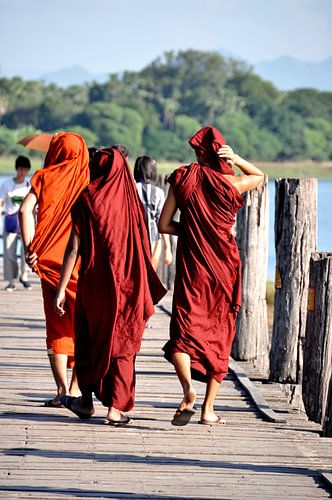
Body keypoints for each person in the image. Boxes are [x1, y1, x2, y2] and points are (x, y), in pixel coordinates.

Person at [158, 126, 264, 426]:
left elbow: (164, 225)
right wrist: (238, 158)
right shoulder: (231, 183)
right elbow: (259, 177)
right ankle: (207, 410)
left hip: (193, 265)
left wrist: (192, 232)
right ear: (222, 153)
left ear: (197, 152)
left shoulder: (182, 179)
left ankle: (188, 389)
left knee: (183, 332)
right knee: (219, 334)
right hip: (224, 267)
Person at [55, 147, 166, 424]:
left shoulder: (86, 199)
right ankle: (115, 409)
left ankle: (85, 401)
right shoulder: (130, 203)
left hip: (94, 286)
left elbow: (73, 248)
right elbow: (142, 245)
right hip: (127, 286)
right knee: (123, 344)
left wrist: (61, 289)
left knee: (91, 338)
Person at [19, 132, 90, 407]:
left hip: (48, 262)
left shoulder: (43, 177)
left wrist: (30, 248)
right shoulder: (86, 180)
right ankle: (75, 387)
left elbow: (25, 211)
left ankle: (61, 390)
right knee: (82, 326)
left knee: (57, 324)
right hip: (78, 265)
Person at [134, 155, 172, 270]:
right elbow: (161, 220)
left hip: (134, 236)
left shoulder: (132, 188)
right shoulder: (158, 192)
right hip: (154, 237)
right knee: (150, 275)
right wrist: (167, 248)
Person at [0, 155, 32, 291]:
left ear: (28, 170)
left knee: (27, 252)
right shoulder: (7, 184)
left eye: (25, 169)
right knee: (9, 254)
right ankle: (10, 281)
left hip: (27, 223)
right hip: (10, 222)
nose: (22, 172)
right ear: (16, 169)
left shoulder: (30, 186)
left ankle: (24, 277)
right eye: (20, 169)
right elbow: (1, 201)